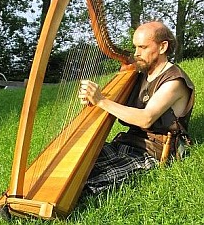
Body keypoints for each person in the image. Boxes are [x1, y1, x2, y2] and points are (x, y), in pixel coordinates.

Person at [79, 21, 194, 194]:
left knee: (89, 185)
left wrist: (101, 101)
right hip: (128, 142)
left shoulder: (174, 81)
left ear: (163, 47)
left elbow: (146, 118)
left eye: (143, 47)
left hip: (153, 151)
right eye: (135, 47)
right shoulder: (140, 75)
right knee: (81, 165)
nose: (136, 53)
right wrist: (92, 98)